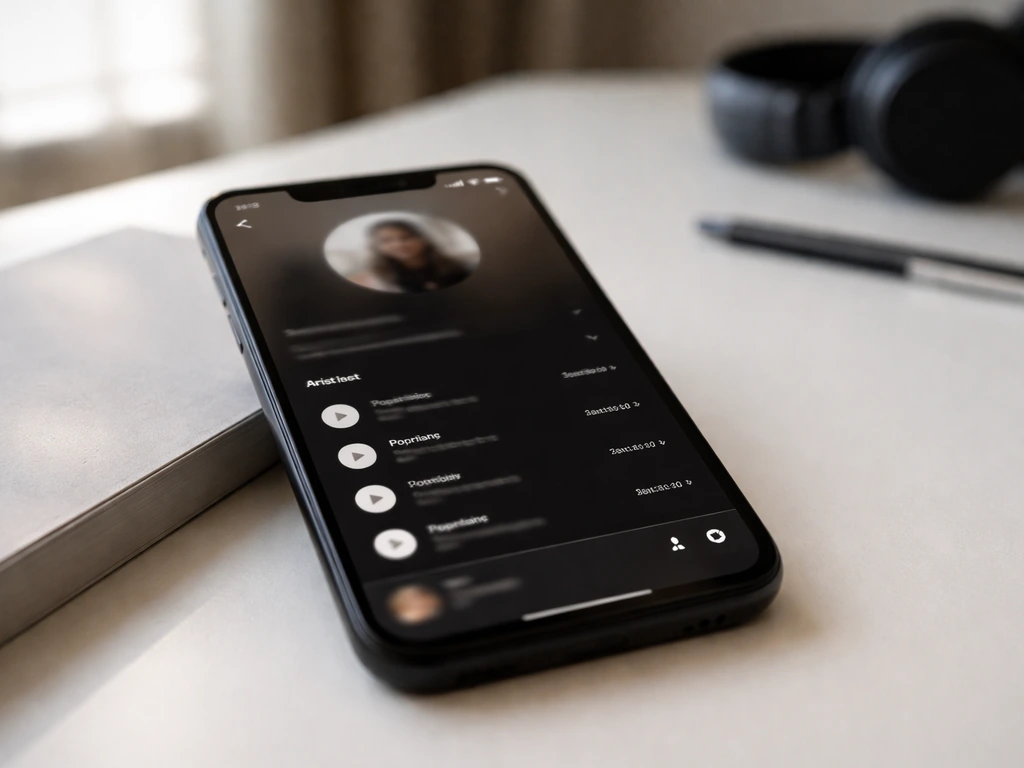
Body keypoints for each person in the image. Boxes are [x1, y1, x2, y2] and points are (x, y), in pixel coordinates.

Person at [347, 219, 472, 293]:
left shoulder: (456, 267)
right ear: (376, 246)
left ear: (423, 239)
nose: (398, 244)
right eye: (386, 240)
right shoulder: (376, 278)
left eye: (406, 237)